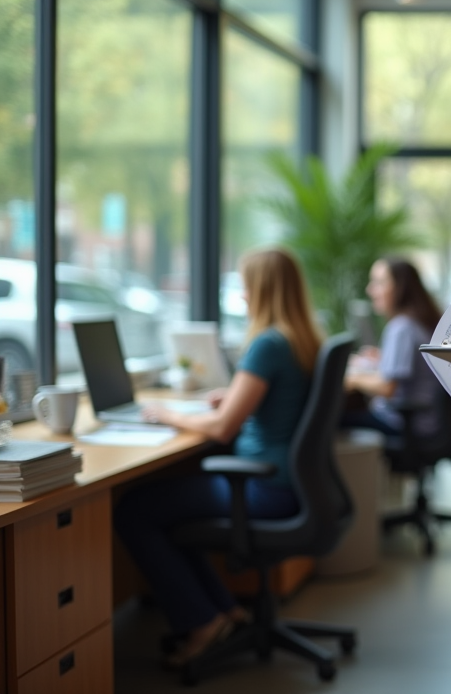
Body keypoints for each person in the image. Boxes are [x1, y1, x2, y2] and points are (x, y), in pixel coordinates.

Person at [115, 248, 323, 667]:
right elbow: (280, 399)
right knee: (168, 510)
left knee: (134, 510)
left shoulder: (267, 343)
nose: (242, 295)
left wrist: (166, 414)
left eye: (245, 285)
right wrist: (234, 395)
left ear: (261, 289)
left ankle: (202, 621)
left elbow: (224, 428)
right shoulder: (302, 339)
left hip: (263, 488)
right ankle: (223, 610)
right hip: (289, 483)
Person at [342, 258, 443, 444]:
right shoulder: (418, 323)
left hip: (405, 424)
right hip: (427, 422)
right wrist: (382, 359)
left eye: (379, 283)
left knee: (337, 419)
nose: (370, 290)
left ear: (400, 288)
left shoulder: (401, 327)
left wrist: (353, 379)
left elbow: (387, 387)